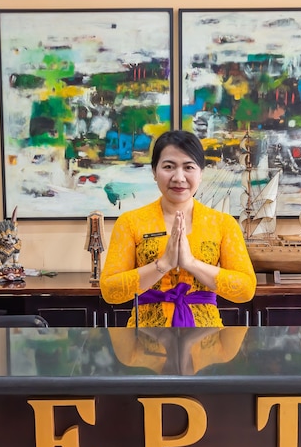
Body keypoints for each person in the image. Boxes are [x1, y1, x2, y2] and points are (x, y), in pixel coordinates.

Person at [100, 130, 256, 327]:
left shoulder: (223, 223)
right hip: (146, 339)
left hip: (206, 338)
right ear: (154, 171)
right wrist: (163, 264)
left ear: (201, 173)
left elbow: (245, 290)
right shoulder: (130, 222)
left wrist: (191, 263)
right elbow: (110, 291)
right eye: (168, 167)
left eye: (188, 167)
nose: (179, 177)